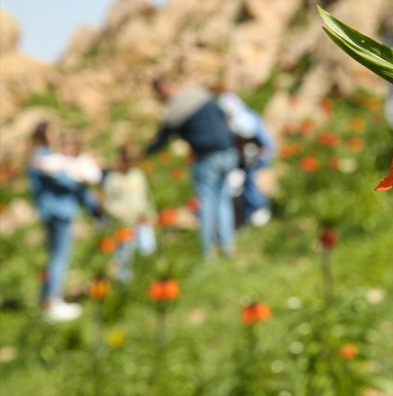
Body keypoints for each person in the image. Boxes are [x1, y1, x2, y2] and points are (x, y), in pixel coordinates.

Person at [145, 76, 238, 259]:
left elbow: (161, 140)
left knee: (206, 203)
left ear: (161, 91)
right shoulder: (199, 94)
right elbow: (223, 115)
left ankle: (208, 252)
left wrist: (144, 152)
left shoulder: (174, 111)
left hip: (207, 158)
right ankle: (228, 246)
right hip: (228, 151)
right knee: (223, 199)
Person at [27, 124, 102, 323]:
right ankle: (53, 301)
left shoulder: (44, 156)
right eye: (52, 133)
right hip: (58, 211)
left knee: (54, 255)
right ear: (44, 135)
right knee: (60, 256)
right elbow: (65, 181)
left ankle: (46, 297)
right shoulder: (43, 157)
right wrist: (77, 174)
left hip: (51, 211)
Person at [212, 85, 274, 228]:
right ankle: (244, 218)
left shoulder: (250, 119)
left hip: (254, 157)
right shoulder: (229, 122)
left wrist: (263, 154)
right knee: (241, 186)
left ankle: (259, 208)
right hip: (241, 159)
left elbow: (264, 142)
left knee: (251, 183)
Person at [102, 142, 157, 282]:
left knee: (147, 249)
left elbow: (146, 196)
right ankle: (125, 285)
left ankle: (146, 279)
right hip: (124, 223)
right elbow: (108, 202)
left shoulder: (137, 175)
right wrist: (117, 212)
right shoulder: (113, 178)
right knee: (124, 256)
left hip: (141, 220)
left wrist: (151, 213)